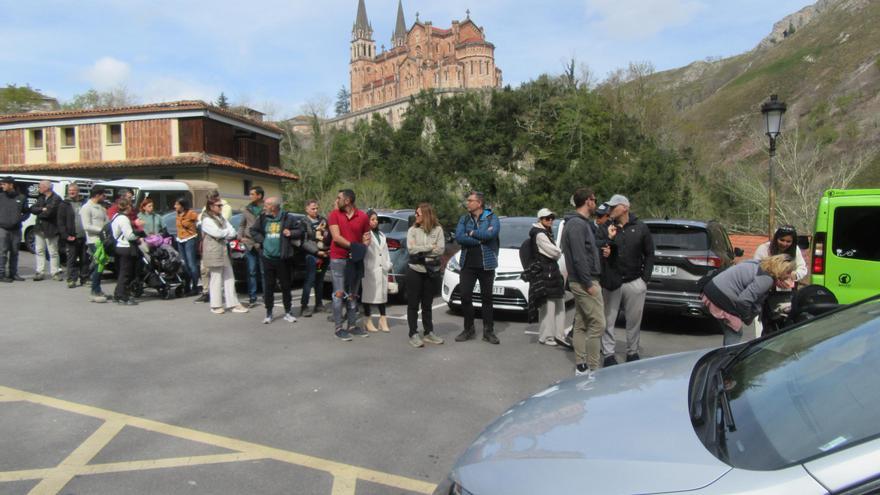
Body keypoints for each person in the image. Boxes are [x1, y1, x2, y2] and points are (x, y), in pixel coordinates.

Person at [600, 194, 654, 366]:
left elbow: (650, 254)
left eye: (613, 207)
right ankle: (608, 355)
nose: (609, 210)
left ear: (624, 207)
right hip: (612, 282)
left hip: (634, 281)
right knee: (608, 321)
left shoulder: (641, 228)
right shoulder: (606, 227)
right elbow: (598, 247)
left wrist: (644, 279)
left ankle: (632, 353)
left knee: (633, 321)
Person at [702, 254, 795, 346]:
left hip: (711, 288)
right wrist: (746, 316)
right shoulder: (766, 279)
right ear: (780, 269)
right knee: (735, 331)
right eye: (788, 272)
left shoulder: (758, 264)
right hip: (721, 296)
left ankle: (726, 353)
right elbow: (744, 300)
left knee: (730, 328)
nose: (789, 276)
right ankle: (728, 356)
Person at [560, 188, 605, 377]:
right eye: (594, 200)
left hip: (581, 280)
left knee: (580, 323)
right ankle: (593, 368)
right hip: (584, 281)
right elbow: (578, 257)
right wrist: (588, 283)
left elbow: (583, 253)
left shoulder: (577, 223)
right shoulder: (577, 225)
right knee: (598, 324)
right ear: (588, 201)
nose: (596, 203)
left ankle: (581, 366)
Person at [454, 191, 501, 345]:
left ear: (479, 203)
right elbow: (459, 237)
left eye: (470, 201)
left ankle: (488, 331)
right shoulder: (464, 218)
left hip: (486, 264)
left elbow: (491, 235)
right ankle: (469, 329)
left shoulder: (492, 217)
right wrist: (478, 240)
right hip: (468, 264)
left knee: (487, 298)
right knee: (465, 296)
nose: (467, 203)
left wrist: (472, 233)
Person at [327, 189, 372, 341]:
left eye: (338, 197)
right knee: (339, 293)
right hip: (338, 259)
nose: (336, 199)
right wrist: (355, 247)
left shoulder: (363, 216)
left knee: (353, 294)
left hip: (355, 260)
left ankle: (352, 326)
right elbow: (336, 237)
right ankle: (338, 328)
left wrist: (363, 248)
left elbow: (367, 236)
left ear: (347, 201)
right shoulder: (334, 215)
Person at [250, 197, 300, 324]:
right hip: (267, 258)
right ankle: (269, 313)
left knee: (285, 286)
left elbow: (300, 231)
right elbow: (253, 231)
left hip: (283, 258)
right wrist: (263, 241)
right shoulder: (262, 218)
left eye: (266, 205)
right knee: (269, 286)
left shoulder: (288, 217)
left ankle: (288, 312)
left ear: (274, 207)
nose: (264, 207)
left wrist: (291, 233)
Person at [752, 224, 808, 337]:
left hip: (788, 294)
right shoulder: (764, 249)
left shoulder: (795, 250)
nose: (784, 244)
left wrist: (792, 275)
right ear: (776, 238)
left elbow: (803, 269)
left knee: (788, 325)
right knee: (769, 327)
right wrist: (774, 279)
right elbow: (755, 269)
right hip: (767, 293)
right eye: (781, 240)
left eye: (788, 241)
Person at [406, 203, 446, 347]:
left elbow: (440, 250)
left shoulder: (438, 230)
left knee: (427, 304)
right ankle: (413, 333)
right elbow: (411, 250)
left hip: (431, 271)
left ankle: (428, 332)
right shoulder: (412, 230)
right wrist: (430, 247)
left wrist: (421, 251)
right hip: (415, 270)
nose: (415, 216)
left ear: (426, 215)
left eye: (418, 214)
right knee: (413, 304)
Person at [201, 198, 249, 315]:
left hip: (223, 250)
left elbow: (232, 231)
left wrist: (224, 232)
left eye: (221, 205)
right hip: (213, 251)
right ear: (211, 207)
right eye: (218, 206)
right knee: (216, 277)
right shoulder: (206, 219)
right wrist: (225, 232)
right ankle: (216, 305)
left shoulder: (221, 218)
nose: (221, 208)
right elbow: (217, 233)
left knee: (229, 276)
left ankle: (233, 303)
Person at [528, 208, 566, 347]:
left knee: (556, 304)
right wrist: (558, 252)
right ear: (540, 220)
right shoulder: (540, 234)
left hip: (550, 271)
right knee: (548, 306)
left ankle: (557, 334)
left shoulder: (546, 232)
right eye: (546, 218)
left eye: (551, 218)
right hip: (546, 272)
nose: (550, 220)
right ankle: (547, 336)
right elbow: (555, 252)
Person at [194, 191, 232, 303]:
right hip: (206, 241)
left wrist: (209, 227)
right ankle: (206, 292)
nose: (210, 199)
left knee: (219, 271)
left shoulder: (225, 207)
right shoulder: (205, 209)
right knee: (204, 269)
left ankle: (218, 295)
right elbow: (199, 221)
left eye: (212, 197)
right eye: (208, 197)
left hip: (220, 243)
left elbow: (221, 224)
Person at [362, 210, 392, 333]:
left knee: (382, 296)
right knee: (368, 295)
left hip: (382, 268)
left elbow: (386, 252)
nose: (375, 221)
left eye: (376, 219)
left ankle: (382, 319)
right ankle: (367, 320)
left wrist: (388, 264)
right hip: (370, 269)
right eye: (372, 219)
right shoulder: (365, 234)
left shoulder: (381, 235)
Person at [298, 199, 328, 316]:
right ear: (307, 209)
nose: (315, 210)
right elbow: (303, 241)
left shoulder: (323, 220)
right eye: (312, 208)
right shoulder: (303, 222)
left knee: (320, 280)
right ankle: (304, 306)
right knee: (310, 280)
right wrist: (316, 252)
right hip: (312, 255)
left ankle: (318, 304)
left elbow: (328, 235)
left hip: (324, 255)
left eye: (316, 208)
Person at [111, 198, 143, 305]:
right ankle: (122, 296)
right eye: (131, 206)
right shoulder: (124, 219)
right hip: (126, 247)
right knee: (126, 274)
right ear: (127, 207)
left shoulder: (115, 216)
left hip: (118, 246)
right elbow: (129, 235)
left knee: (121, 273)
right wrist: (138, 236)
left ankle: (117, 294)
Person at [30, 180, 63, 281]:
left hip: (51, 229)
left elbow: (49, 213)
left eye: (40, 186)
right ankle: (40, 271)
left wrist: (41, 210)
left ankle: (55, 272)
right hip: (39, 229)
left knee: (53, 252)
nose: (39, 188)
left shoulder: (56, 199)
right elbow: (32, 209)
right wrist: (42, 209)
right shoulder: (41, 198)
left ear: (46, 187)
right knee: (39, 251)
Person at [238, 186, 265, 308]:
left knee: (264, 272)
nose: (250, 196)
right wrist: (240, 237)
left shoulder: (267, 208)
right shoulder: (247, 208)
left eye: (252, 194)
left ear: (259, 196)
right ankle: (252, 297)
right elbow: (242, 225)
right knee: (251, 271)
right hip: (248, 243)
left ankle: (266, 296)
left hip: (262, 243)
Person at [80, 188, 108, 303]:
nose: (105, 197)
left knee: (101, 264)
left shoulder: (101, 207)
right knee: (99, 264)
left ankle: (97, 288)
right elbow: (86, 226)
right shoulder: (86, 207)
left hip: (104, 240)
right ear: (97, 195)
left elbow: (106, 221)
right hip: (94, 240)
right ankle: (94, 290)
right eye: (103, 194)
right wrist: (101, 230)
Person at [58, 183, 88, 288]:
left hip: (84, 236)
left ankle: (84, 278)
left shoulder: (84, 202)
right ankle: (71, 279)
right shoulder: (64, 204)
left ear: (78, 191)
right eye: (70, 190)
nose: (71, 192)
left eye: (73, 190)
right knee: (72, 259)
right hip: (71, 236)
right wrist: (65, 235)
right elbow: (60, 222)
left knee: (85, 259)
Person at [0, 177, 30, 283]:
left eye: (4, 184)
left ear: (11, 185)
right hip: (2, 228)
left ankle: (13, 273)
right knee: (2, 252)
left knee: (15, 252)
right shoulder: (1, 196)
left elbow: (27, 212)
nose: (1, 186)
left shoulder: (21, 197)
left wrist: (19, 219)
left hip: (16, 229)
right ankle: (1, 274)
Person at [174, 197, 200, 294]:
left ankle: (195, 286)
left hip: (190, 239)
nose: (175, 206)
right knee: (184, 264)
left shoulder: (191, 213)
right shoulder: (177, 214)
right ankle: (187, 285)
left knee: (191, 264)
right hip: (180, 240)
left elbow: (199, 221)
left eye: (177, 205)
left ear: (182, 206)